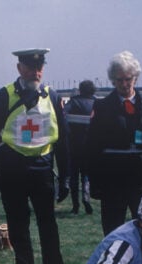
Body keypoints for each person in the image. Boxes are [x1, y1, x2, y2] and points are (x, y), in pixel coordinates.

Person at [0, 48, 70, 264]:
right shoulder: (5, 96)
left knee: (48, 226)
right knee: (18, 224)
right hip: (13, 168)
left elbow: (63, 140)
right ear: (19, 68)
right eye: (31, 67)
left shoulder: (52, 96)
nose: (36, 71)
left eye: (40, 67)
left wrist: (65, 177)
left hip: (42, 169)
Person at [84, 50, 142, 234]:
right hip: (113, 180)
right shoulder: (102, 107)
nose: (124, 84)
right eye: (119, 80)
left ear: (135, 78)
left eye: (128, 79)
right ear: (112, 80)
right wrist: (95, 183)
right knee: (113, 231)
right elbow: (92, 148)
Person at [64, 79, 96, 215]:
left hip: (73, 146)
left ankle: (75, 206)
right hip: (89, 147)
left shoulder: (73, 102)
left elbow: (63, 115)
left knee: (73, 177)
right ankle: (86, 197)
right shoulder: (96, 103)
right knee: (86, 175)